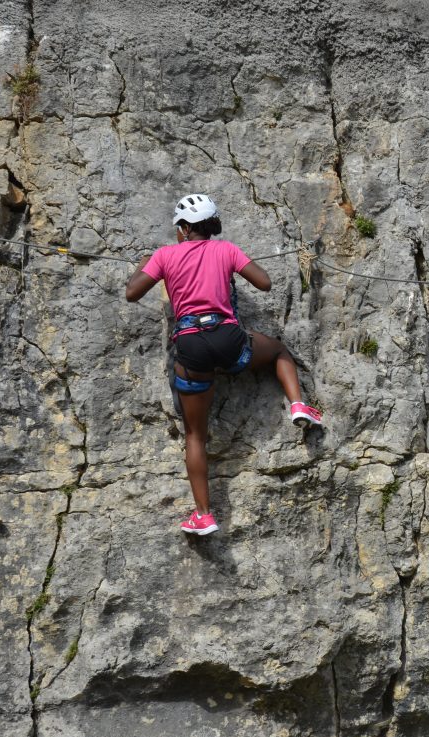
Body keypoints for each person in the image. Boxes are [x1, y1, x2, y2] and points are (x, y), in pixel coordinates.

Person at [126, 193, 323, 536]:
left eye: (178, 228)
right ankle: (298, 404)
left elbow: (132, 293)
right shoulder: (226, 250)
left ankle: (204, 514)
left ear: (185, 228)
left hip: (192, 347)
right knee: (277, 351)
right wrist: (234, 261)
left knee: (195, 436)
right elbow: (264, 282)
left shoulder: (164, 256)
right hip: (229, 340)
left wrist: (146, 263)